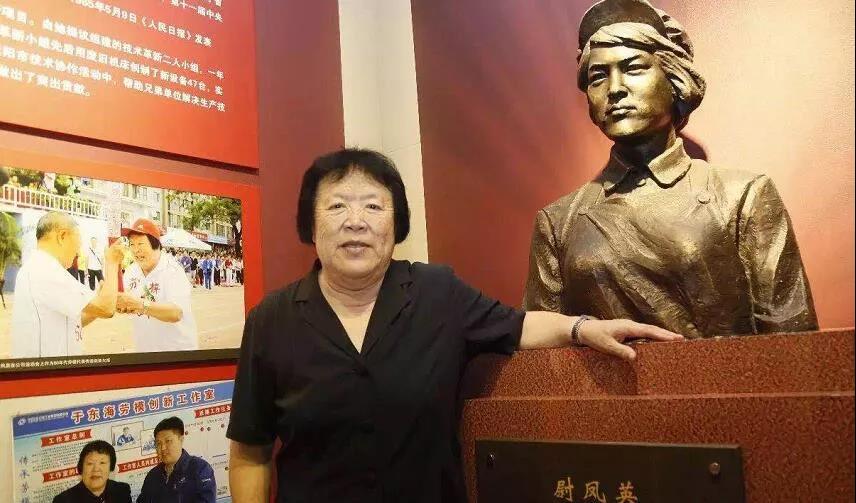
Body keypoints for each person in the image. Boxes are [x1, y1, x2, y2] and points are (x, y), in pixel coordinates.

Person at [226, 149, 682, 503]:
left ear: (396, 224)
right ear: (310, 224)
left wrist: (583, 328)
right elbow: (250, 452)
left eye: (373, 206)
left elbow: (517, 325)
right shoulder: (271, 320)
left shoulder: (436, 293)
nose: (355, 222)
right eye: (337, 206)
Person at [523, 0, 817, 338]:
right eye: (598, 76)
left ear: (673, 78)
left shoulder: (743, 197)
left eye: (634, 68)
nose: (615, 89)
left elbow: (793, 342)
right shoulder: (558, 222)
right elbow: (543, 350)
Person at [11, 212, 124, 358]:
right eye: (77, 245)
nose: (77, 253)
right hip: (49, 368)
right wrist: (112, 262)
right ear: (62, 236)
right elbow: (106, 308)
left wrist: (99, 301)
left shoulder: (38, 266)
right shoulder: (46, 269)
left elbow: (75, 320)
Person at [117, 218, 198, 352]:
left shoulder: (172, 270)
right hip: (145, 351)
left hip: (177, 351)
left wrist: (139, 305)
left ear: (155, 244)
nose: (136, 250)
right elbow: (124, 300)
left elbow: (176, 313)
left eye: (140, 244)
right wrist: (120, 304)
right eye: (132, 244)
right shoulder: (131, 271)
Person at [137, 416, 216, 503]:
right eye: (158, 443)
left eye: (168, 441)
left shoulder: (200, 469)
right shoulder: (153, 475)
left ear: (181, 439)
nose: (163, 448)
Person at [53, 440, 131, 503]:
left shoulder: (122, 491)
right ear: (81, 468)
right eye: (90, 463)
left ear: (111, 467)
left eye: (102, 463)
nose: (96, 469)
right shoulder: (63, 500)